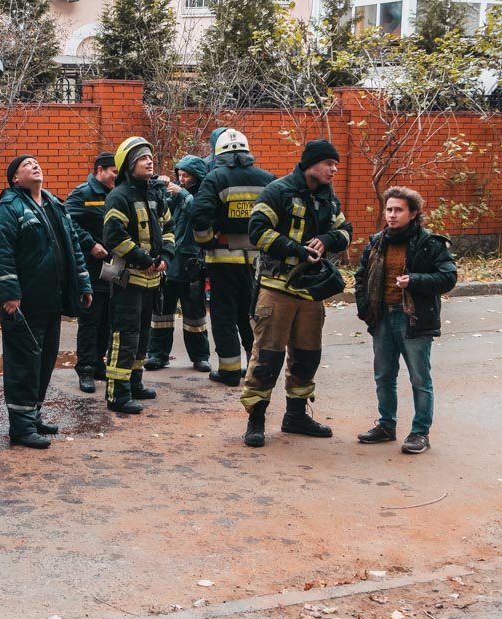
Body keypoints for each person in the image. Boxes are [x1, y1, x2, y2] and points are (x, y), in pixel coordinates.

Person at [241, 139, 353, 448]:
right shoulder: (277, 191)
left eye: (336, 164)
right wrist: (296, 249)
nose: (334, 169)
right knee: (267, 357)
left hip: (310, 292)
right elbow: (257, 231)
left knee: (307, 356)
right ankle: (256, 419)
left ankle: (296, 417)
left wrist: (328, 240)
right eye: (329, 163)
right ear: (310, 164)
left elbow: (347, 231)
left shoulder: (328, 198)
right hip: (276, 289)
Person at [0, 154, 93, 448]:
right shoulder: (8, 209)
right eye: (26, 165)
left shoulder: (55, 206)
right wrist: (10, 294)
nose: (34, 166)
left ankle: (33, 416)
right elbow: (1, 253)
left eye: (36, 163)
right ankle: (21, 429)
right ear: (15, 179)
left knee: (44, 361)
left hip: (53, 300)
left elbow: (73, 247)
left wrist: (83, 283)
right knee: (24, 363)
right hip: (25, 303)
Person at [354, 187, 457, 455]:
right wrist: (365, 310)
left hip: (413, 318)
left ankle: (420, 432)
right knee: (384, 375)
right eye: (389, 209)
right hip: (382, 317)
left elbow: (448, 278)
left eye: (398, 210)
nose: (391, 215)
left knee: (419, 378)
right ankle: (386, 425)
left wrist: (415, 280)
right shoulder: (377, 241)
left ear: (413, 214)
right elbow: (361, 277)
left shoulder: (429, 244)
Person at [190, 129, 275, 386]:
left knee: (224, 315)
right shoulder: (267, 179)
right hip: (257, 263)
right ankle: (256, 367)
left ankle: (228, 371)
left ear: (219, 154)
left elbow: (200, 217)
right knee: (250, 314)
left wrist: (208, 242)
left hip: (222, 260)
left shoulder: (215, 178)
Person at [102, 137, 175, 414]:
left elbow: (169, 229)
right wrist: (143, 259)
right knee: (125, 335)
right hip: (128, 279)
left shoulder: (155, 195)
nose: (149, 161)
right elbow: (113, 236)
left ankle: (134, 383)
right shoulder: (119, 196)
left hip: (152, 280)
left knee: (143, 334)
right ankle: (117, 394)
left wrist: (166, 257)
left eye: (150, 157)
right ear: (129, 165)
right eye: (142, 158)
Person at [145, 155, 211, 372]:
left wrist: (182, 194)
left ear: (197, 176)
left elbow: (200, 214)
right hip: (170, 260)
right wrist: (161, 188)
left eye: (187, 176)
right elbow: (160, 215)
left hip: (191, 262)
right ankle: (157, 354)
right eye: (180, 176)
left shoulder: (202, 195)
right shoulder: (174, 195)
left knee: (195, 313)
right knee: (162, 312)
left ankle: (200, 356)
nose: (182, 180)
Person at [65, 152, 118, 393]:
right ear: (99, 170)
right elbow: (68, 222)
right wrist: (90, 243)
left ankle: (98, 364)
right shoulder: (82, 193)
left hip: (113, 268)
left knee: (107, 320)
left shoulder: (116, 194)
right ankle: (85, 369)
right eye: (114, 171)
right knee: (90, 320)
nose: (117, 176)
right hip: (91, 267)